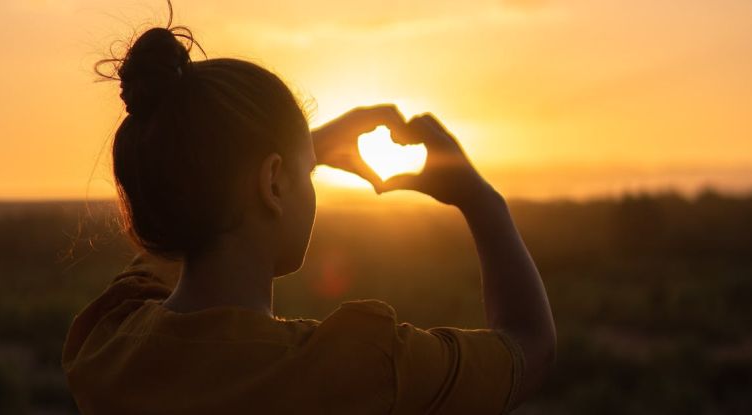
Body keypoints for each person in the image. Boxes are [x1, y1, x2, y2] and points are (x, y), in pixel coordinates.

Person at [61, 9, 556, 415]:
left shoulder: (106, 344)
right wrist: (481, 200)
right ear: (273, 183)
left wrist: (292, 154)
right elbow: (527, 346)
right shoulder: (359, 368)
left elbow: (189, 218)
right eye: (306, 171)